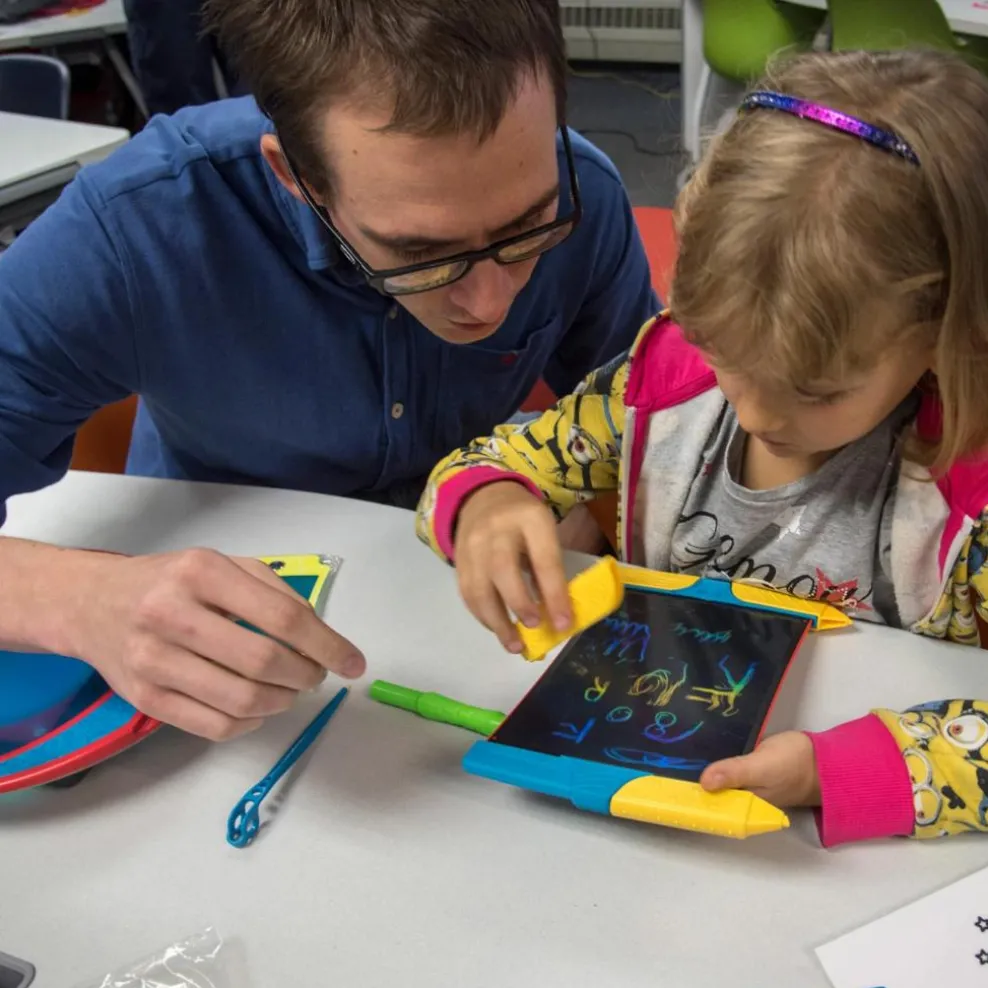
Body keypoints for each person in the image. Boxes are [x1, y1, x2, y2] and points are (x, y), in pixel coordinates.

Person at [0, 0, 656, 742]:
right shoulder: (139, 225)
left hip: (464, 636)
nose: (489, 302)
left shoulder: (587, 194)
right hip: (214, 655)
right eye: (418, 253)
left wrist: (565, 503)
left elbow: (656, 430)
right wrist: (80, 599)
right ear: (293, 173)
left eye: (527, 227)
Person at [416, 49, 988, 846]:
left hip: (813, 850)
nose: (752, 411)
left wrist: (845, 772)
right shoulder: (666, 384)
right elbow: (495, 461)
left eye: (816, 391)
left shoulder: (968, 495)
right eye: (723, 352)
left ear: (944, 335)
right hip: (618, 803)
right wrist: (487, 500)